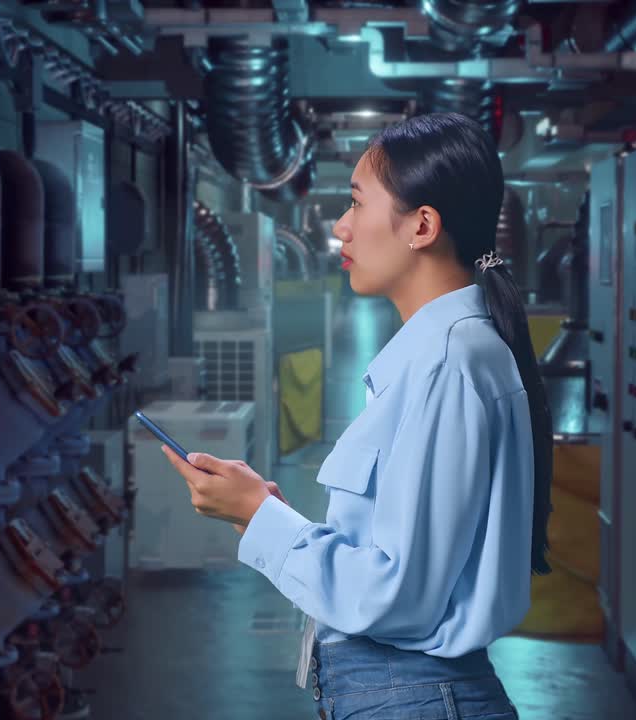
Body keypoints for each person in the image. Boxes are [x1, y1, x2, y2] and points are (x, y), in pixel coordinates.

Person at [161, 112, 553, 720]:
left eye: (356, 203)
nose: (341, 227)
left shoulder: (447, 362)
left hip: (413, 696)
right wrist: (269, 516)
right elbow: (402, 556)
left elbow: (401, 596)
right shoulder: (441, 353)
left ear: (422, 225)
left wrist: (261, 519)